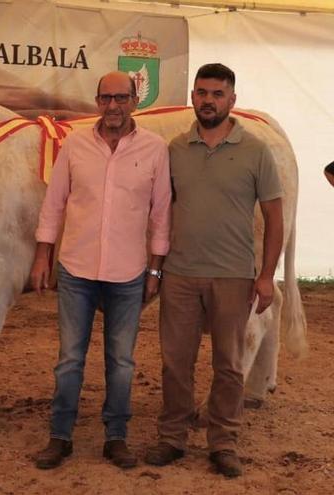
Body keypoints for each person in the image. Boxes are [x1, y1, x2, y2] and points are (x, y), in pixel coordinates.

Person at [144, 63, 284, 478]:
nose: (208, 100)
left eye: (217, 94)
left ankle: (223, 441)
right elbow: (158, 213)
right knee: (175, 361)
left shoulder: (257, 150)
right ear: (193, 96)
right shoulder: (173, 149)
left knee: (228, 363)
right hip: (181, 274)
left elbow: (274, 219)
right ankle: (172, 437)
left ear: (232, 100)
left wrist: (265, 277)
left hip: (234, 274)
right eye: (202, 92)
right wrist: (156, 269)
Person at [30, 71, 171, 470]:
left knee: (122, 361)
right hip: (75, 268)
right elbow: (54, 204)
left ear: (134, 101)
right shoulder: (74, 146)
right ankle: (60, 436)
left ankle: (116, 437)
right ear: (97, 101)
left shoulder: (155, 149)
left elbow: (161, 216)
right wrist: (43, 256)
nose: (113, 106)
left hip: (128, 273)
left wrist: (155, 271)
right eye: (106, 98)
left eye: (121, 98)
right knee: (69, 359)